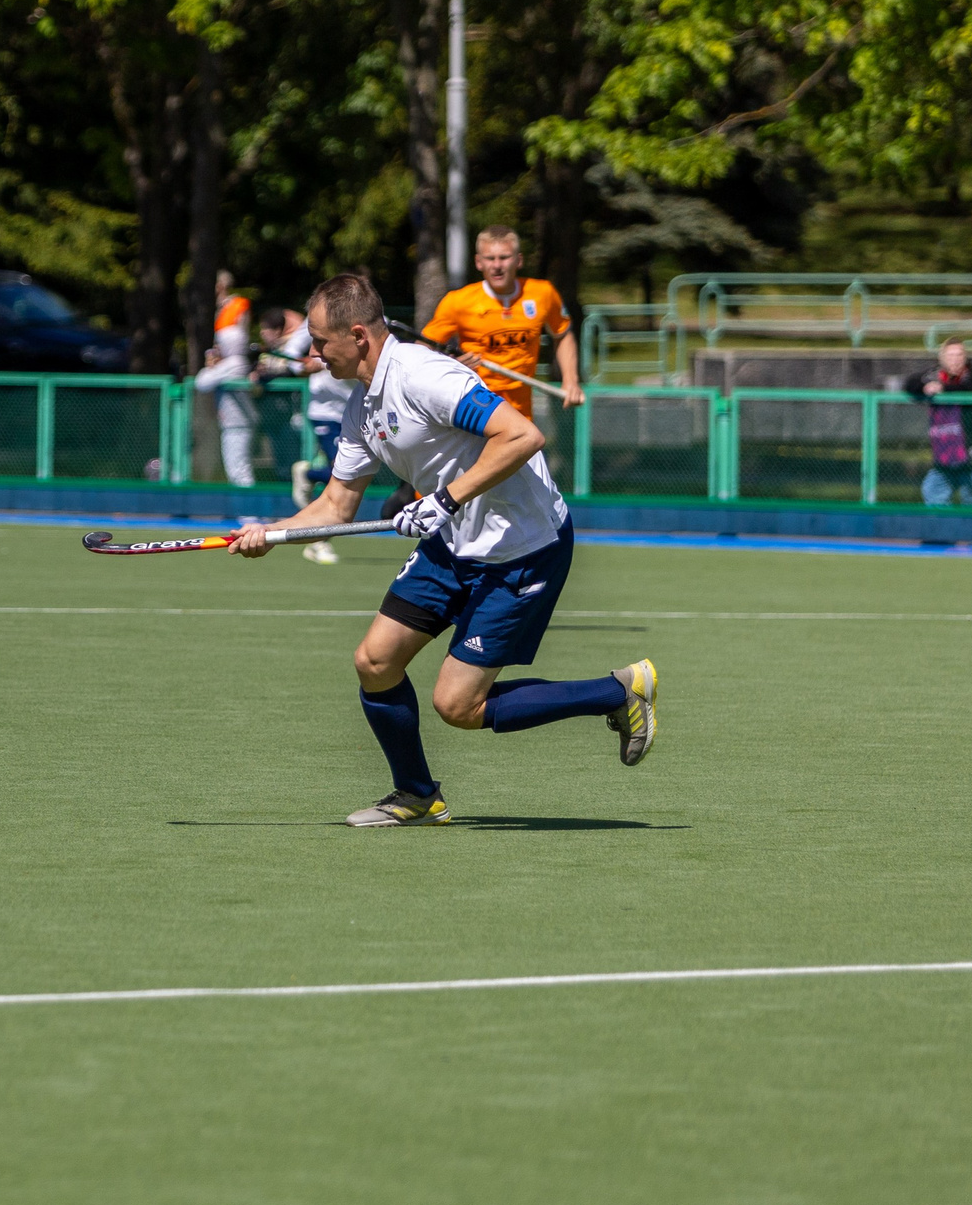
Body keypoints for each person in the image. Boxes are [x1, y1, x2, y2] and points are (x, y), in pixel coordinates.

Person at [230, 272, 657, 827]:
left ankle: (616, 693)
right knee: (375, 662)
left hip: (522, 547)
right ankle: (417, 797)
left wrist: (445, 499)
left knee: (458, 706)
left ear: (357, 335)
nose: (312, 353)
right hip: (453, 543)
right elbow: (335, 505)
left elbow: (522, 435)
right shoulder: (361, 407)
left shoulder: (425, 376)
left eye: (319, 341)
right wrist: (271, 532)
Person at [421, 226, 585, 428]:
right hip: (476, 408)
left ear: (519, 260)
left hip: (521, 413)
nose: (497, 265)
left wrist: (571, 380)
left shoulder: (543, 293)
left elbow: (562, 334)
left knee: (530, 444)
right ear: (478, 262)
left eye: (504, 257)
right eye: (490, 258)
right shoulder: (457, 302)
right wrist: (452, 366)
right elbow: (421, 350)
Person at [255, 305, 358, 564]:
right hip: (326, 412)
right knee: (343, 474)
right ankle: (319, 540)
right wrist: (306, 367)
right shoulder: (317, 320)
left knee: (349, 475)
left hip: (357, 408)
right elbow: (292, 359)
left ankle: (309, 475)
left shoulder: (374, 320)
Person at [908, 340, 972, 506]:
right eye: (950, 356)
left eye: (959, 355)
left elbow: (966, 389)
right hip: (946, 458)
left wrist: (942, 389)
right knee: (932, 492)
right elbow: (911, 383)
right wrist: (925, 387)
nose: (955, 360)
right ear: (942, 358)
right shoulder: (936, 374)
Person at [192, 271, 259, 488]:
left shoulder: (235, 362)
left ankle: (250, 509)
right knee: (237, 470)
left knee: (239, 471)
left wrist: (214, 366)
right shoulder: (231, 362)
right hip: (231, 422)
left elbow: (201, 382)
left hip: (238, 423)